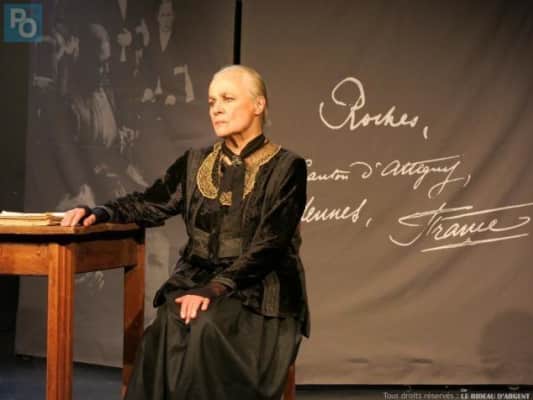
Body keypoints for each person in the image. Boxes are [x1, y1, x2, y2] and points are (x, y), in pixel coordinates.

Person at [61, 64, 310, 400]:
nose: (216, 109)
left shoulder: (287, 167)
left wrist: (215, 289)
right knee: (167, 324)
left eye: (227, 99)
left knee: (206, 326)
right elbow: (151, 203)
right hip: (199, 281)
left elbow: (271, 243)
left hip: (260, 291)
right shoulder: (195, 162)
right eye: (211, 102)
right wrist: (100, 211)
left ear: (258, 105)